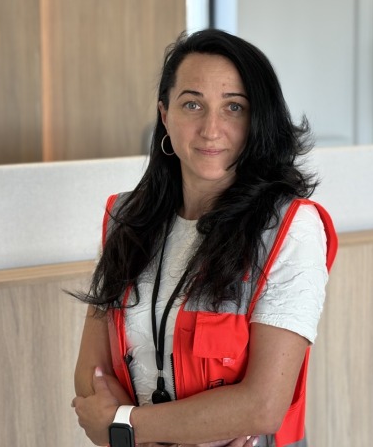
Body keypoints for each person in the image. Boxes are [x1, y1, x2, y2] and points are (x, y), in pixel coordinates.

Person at [71, 29, 337, 447]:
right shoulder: (127, 218)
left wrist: (125, 426)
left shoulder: (290, 227)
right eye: (192, 104)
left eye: (234, 107)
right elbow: (93, 375)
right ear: (165, 115)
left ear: (258, 120)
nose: (211, 129)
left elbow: (263, 406)